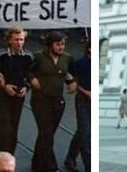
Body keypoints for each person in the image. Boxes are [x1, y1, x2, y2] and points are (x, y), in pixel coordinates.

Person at [29, 31, 76, 172]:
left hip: (58, 101)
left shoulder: (67, 58)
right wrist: (32, 79)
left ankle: (37, 164)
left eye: (63, 44)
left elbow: (69, 73)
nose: (61, 47)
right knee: (46, 133)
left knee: (47, 134)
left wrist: (73, 82)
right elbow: (27, 71)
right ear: (50, 45)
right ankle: (50, 166)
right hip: (40, 100)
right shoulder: (38, 57)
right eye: (58, 44)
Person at [0, 27, 32, 153]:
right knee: (5, 128)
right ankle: (1, 156)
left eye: (22, 40)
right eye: (16, 40)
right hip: (4, 95)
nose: (19, 43)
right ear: (9, 40)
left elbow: (31, 74)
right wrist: (0, 80)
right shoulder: (2, 55)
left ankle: (9, 157)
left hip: (19, 95)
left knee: (13, 129)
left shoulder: (28, 56)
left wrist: (26, 87)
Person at [65, 41, 91, 172]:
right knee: (86, 134)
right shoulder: (81, 63)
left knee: (82, 132)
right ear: (89, 49)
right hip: (83, 100)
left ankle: (70, 157)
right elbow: (74, 82)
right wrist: (86, 92)